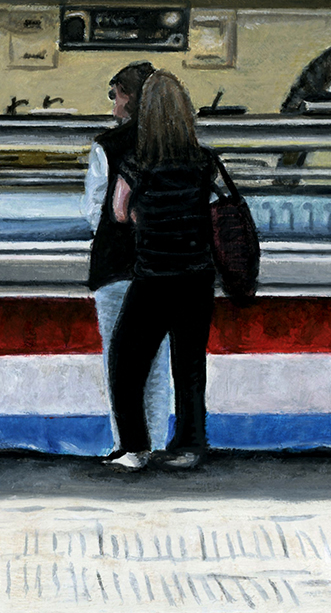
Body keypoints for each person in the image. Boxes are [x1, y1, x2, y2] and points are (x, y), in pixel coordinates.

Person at [106, 70, 218, 472]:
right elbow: (211, 208)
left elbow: (120, 212)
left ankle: (135, 447)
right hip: (197, 276)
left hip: (154, 275)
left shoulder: (136, 161)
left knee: (126, 363)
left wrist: (143, 215)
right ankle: (189, 446)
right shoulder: (205, 160)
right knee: (189, 367)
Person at [82, 61, 171, 456]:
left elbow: (93, 211)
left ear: (129, 98)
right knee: (156, 365)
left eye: (115, 95)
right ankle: (156, 441)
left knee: (120, 363)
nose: (112, 103)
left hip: (117, 265)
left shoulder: (107, 145)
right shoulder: (175, 143)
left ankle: (129, 446)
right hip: (164, 265)